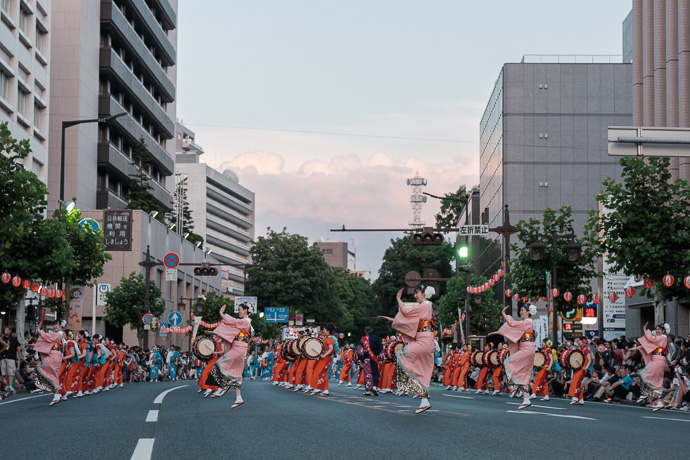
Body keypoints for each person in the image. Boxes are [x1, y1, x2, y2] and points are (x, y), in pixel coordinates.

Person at [380, 286, 436, 414]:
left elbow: (405, 311)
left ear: (424, 293)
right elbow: (409, 322)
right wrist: (391, 319)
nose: (415, 296)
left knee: (401, 357)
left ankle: (408, 387)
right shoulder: (426, 307)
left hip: (423, 341)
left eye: (416, 293)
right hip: (426, 340)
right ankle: (424, 400)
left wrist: (398, 299)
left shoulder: (425, 306)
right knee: (421, 368)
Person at [490, 304, 537, 410]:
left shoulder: (526, 323)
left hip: (526, 349)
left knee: (508, 362)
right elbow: (513, 329)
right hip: (528, 349)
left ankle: (514, 385)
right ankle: (526, 399)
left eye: (522, 310)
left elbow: (512, 324)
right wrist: (498, 332)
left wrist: (504, 314)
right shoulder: (525, 324)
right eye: (520, 310)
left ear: (528, 312)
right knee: (524, 375)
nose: (521, 312)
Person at [208, 303, 252, 408]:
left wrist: (222, 314)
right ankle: (238, 398)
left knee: (220, 363)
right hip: (240, 349)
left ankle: (222, 387)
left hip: (238, 348)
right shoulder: (244, 322)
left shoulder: (245, 322)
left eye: (240, 309)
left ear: (246, 310)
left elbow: (233, 321)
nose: (238, 311)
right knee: (236, 374)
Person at [636, 322, 670, 411]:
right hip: (658, 359)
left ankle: (645, 393)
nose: (657, 331)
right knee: (658, 382)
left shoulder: (662, 337)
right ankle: (659, 402)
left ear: (663, 331)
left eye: (659, 329)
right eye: (657, 329)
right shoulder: (660, 338)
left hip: (658, 359)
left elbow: (650, 338)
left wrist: (645, 330)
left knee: (644, 374)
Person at [34, 319, 66, 406]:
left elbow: (48, 337)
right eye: (54, 324)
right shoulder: (60, 334)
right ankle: (56, 394)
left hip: (54, 355)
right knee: (53, 375)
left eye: (57, 324)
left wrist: (39, 331)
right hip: (55, 355)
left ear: (61, 326)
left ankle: (42, 386)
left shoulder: (59, 334)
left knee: (40, 368)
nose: (55, 326)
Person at [311, 323, 337, 395]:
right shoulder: (327, 338)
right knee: (324, 374)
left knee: (317, 372)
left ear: (328, 330)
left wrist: (324, 355)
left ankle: (317, 388)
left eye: (324, 329)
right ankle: (325, 389)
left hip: (325, 358)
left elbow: (331, 349)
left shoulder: (329, 339)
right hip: (326, 358)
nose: (323, 331)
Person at [356, 326, 382, 396]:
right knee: (375, 373)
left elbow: (360, 350)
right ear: (372, 330)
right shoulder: (376, 338)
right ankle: (374, 386)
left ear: (365, 331)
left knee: (367, 373)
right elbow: (380, 349)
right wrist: (381, 358)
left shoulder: (363, 339)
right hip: (374, 358)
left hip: (366, 359)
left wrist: (361, 359)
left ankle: (368, 390)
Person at [1, 326, 22, 393]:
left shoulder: (13, 338)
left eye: (8, 330)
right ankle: (7, 385)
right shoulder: (2, 339)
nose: (7, 331)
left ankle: (10, 385)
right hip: (3, 357)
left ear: (10, 331)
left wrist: (19, 355)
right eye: (5, 330)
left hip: (11, 356)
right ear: (3, 331)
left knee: (10, 371)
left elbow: (18, 347)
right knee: (4, 371)